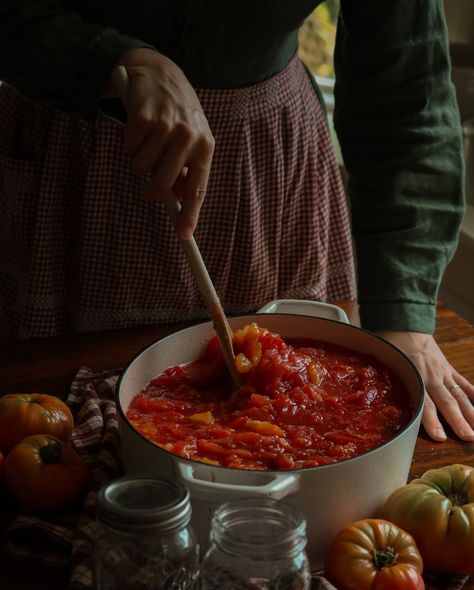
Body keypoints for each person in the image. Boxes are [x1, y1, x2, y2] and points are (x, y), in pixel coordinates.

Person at [0, 0, 473, 443]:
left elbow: (405, 92)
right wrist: (106, 57)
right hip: (71, 161)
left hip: (272, 173)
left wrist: (402, 317)